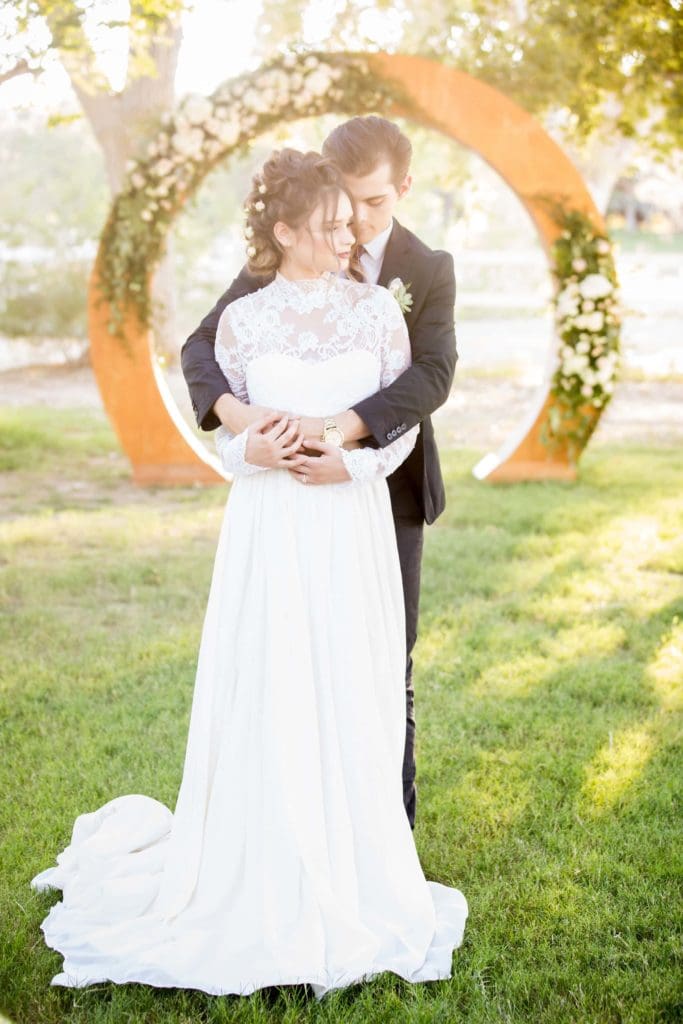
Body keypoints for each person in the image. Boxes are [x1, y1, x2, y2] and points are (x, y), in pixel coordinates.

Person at [30, 148, 468, 1000]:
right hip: (269, 530)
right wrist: (246, 448)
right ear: (283, 232)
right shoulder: (242, 321)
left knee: (352, 679)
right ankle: (262, 860)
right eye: (333, 225)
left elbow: (410, 413)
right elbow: (222, 425)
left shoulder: (381, 310)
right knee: (270, 682)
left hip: (348, 522)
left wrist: (357, 464)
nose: (349, 236)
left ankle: (360, 859)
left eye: (353, 220)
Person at [181, 115, 458, 831]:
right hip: (279, 495)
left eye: (372, 205)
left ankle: (384, 831)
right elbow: (202, 348)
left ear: (400, 189)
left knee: (380, 658)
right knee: (279, 652)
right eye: (345, 206)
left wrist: (336, 436)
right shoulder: (291, 246)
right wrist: (251, 428)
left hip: (380, 491)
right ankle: (276, 818)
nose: (355, 228)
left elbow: (429, 379)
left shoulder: (424, 270)